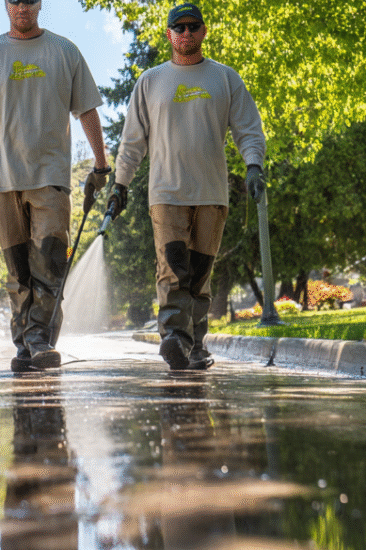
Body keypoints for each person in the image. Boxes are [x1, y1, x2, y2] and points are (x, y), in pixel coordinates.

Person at [0, 0, 112, 372]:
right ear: (6, 6)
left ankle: (40, 339)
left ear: (39, 4)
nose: (22, 6)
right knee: (18, 272)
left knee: (50, 265)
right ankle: (25, 344)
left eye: (29, 0)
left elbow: (87, 109)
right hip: (4, 182)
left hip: (51, 179)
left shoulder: (65, 51)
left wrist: (101, 165)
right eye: (15, 0)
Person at [111, 3, 266, 371]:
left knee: (199, 273)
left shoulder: (225, 79)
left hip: (211, 193)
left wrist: (254, 165)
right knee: (172, 268)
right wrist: (120, 184)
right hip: (166, 193)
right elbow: (132, 141)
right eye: (178, 27)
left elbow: (248, 129)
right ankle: (174, 339)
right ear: (169, 34)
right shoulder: (150, 81)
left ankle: (196, 345)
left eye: (192, 26)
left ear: (203, 31)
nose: (185, 33)